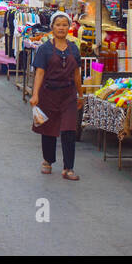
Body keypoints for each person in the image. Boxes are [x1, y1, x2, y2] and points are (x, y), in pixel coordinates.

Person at [30, 12, 83, 180]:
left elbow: (76, 74)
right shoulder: (44, 49)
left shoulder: (74, 48)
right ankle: (48, 160)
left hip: (68, 95)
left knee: (69, 130)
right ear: (52, 27)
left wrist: (80, 94)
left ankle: (68, 168)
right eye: (58, 25)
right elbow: (39, 73)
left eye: (64, 25)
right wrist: (35, 94)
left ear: (69, 27)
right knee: (49, 129)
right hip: (48, 94)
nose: (61, 28)